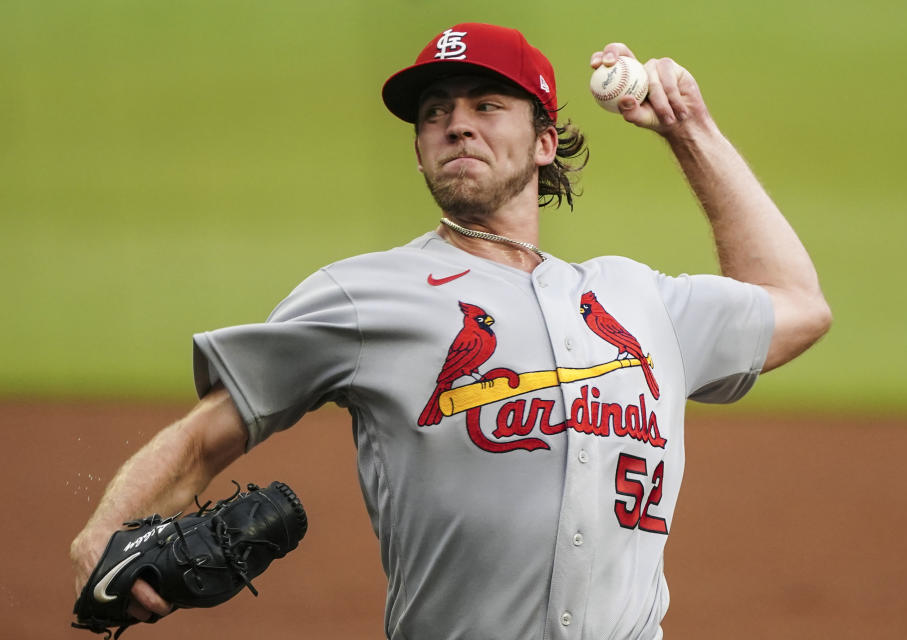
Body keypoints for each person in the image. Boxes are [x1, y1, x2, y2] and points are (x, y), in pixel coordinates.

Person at [71, 22, 831, 639]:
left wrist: (689, 130)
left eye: (485, 105)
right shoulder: (364, 295)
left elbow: (796, 304)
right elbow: (209, 434)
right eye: (435, 112)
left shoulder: (637, 299)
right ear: (419, 147)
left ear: (543, 142)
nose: (455, 125)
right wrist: (99, 537)